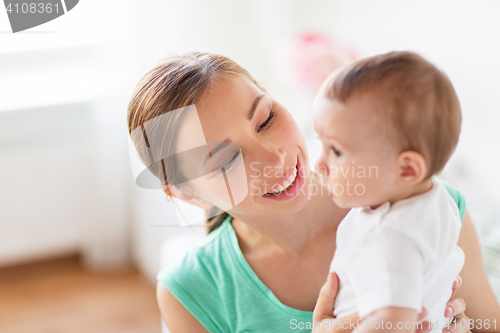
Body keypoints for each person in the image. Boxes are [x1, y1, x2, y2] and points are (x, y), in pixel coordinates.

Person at [126, 52, 499, 333]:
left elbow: (488, 325)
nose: (273, 159)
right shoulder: (190, 293)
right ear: (188, 195)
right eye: (225, 162)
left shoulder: (424, 205)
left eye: (267, 119)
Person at [312, 51, 465, 333]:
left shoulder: (389, 233)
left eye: (336, 150)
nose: (319, 164)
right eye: (319, 143)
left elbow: (391, 325)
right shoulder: (436, 198)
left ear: (406, 169)